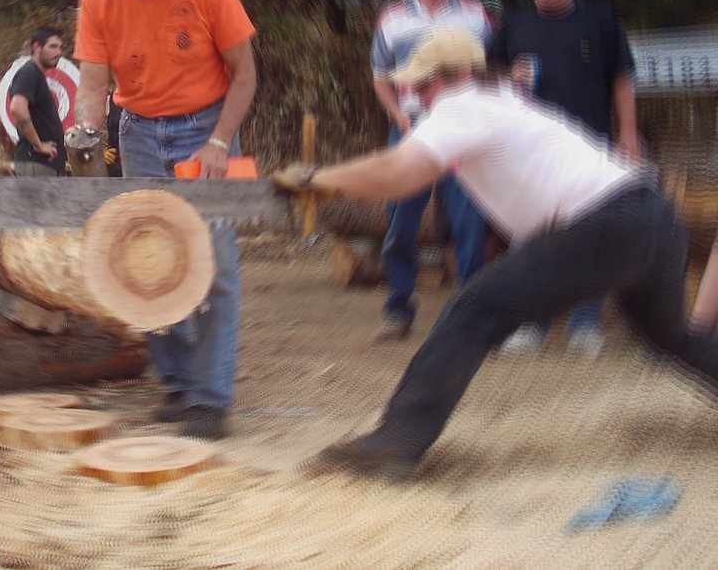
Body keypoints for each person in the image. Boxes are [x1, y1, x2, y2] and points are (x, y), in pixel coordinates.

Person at [275, 28, 718, 479]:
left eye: (425, 82)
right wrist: (338, 183)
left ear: (462, 74)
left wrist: (318, 179)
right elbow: (410, 174)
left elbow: (398, 174)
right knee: (671, 337)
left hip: (608, 221)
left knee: (475, 308)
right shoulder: (504, 101)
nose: (415, 92)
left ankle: (397, 439)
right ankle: (399, 438)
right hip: (654, 217)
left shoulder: (462, 103)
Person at [73, 0, 257, 439]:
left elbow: (245, 73)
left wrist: (220, 141)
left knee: (214, 262)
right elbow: (92, 83)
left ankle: (210, 399)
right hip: (138, 132)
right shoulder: (97, 1)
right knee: (148, 263)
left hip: (205, 127)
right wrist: (87, 131)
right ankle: (177, 383)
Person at [489, 0, 640, 356]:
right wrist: (507, 79)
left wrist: (628, 133)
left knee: (590, 238)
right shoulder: (514, 23)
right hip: (531, 151)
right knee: (531, 238)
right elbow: (485, 82)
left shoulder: (600, 17)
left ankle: (585, 324)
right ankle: (528, 326)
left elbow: (622, 78)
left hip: (591, 149)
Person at [370, 0, 491, 340]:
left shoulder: (476, 14)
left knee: (469, 221)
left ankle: (470, 316)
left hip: (461, 131)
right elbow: (380, 76)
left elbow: (488, 71)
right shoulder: (394, 16)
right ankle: (398, 308)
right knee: (400, 220)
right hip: (413, 131)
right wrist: (398, 117)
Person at [7, 27, 66, 177]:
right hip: (35, 164)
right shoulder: (29, 73)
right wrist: (38, 144)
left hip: (42, 166)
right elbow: (17, 108)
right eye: (52, 46)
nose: (58, 52)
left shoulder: (35, 75)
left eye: (60, 47)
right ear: (36, 47)